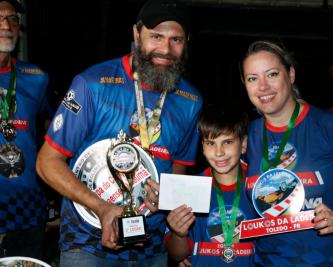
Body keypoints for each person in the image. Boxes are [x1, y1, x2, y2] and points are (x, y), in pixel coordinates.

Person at [36, 0, 203, 266]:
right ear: (136, 34)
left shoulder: (191, 100)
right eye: (156, 37)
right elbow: (47, 163)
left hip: (152, 247)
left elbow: (177, 170)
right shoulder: (91, 84)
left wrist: (166, 196)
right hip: (87, 242)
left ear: (187, 42)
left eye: (176, 40)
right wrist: (102, 208)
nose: (165, 49)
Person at [240, 40, 333, 266]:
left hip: (327, 260)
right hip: (266, 260)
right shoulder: (246, 135)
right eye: (253, 78)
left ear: (290, 74)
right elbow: (231, 195)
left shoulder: (331, 126)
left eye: (271, 74)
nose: (262, 86)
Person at [166, 104, 257, 266]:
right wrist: (179, 235)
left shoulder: (258, 186)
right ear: (202, 146)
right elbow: (178, 255)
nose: (219, 152)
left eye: (227, 142)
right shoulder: (189, 189)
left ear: (243, 144)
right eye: (210, 143)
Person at [0, 0, 50, 259]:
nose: (6, 26)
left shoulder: (36, 77)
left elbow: (51, 134)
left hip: (27, 208)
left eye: (12, 19)